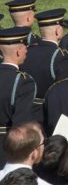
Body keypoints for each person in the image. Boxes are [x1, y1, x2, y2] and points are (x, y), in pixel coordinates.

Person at [0, 28, 36, 164]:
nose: (27, 50)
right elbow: (20, 124)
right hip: (7, 149)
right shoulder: (23, 81)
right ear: (18, 51)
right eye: (25, 47)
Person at [22, 9, 65, 112]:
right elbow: (65, 92)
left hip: (24, 110)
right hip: (48, 112)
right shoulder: (60, 56)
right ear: (57, 31)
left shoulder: (27, 51)